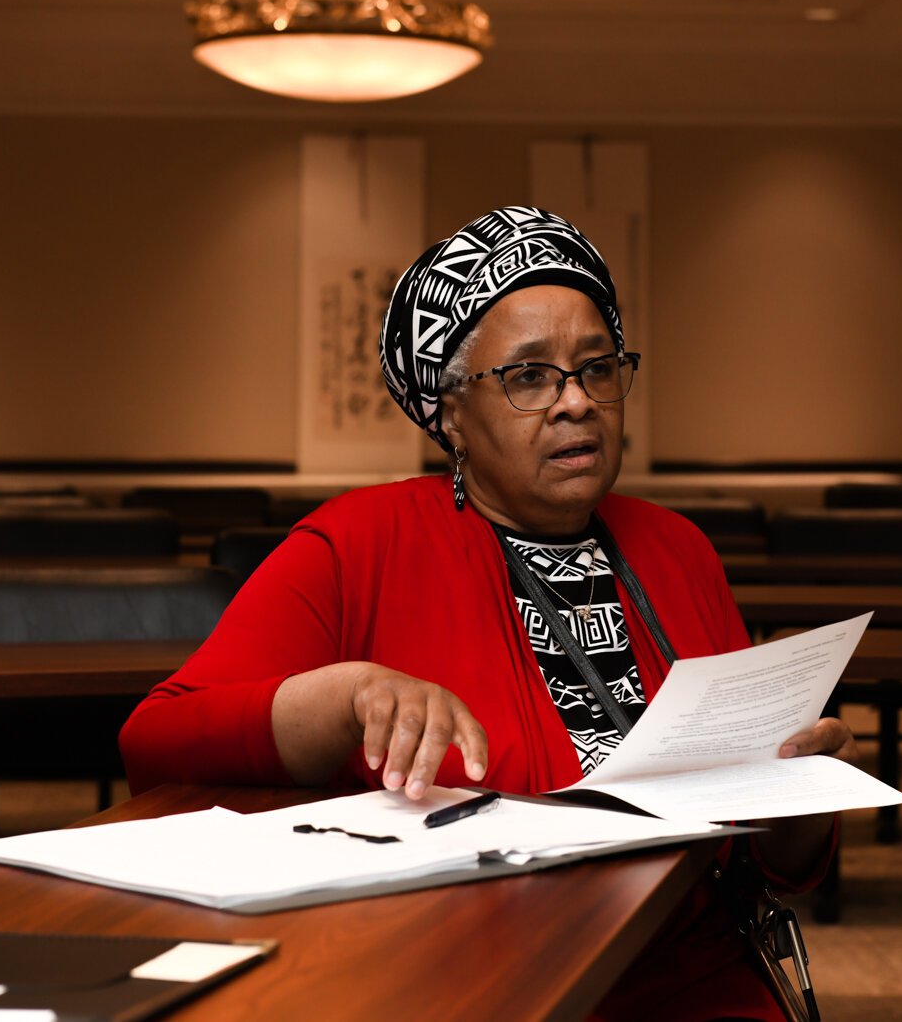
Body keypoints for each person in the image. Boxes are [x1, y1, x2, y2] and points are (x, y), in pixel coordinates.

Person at [120, 206, 858, 1021]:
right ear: (451, 416)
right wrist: (343, 699)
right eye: (529, 376)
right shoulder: (358, 542)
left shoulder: (677, 549)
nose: (576, 402)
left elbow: (773, 861)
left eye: (597, 367)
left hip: (696, 978)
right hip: (459, 983)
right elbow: (156, 738)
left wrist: (801, 793)